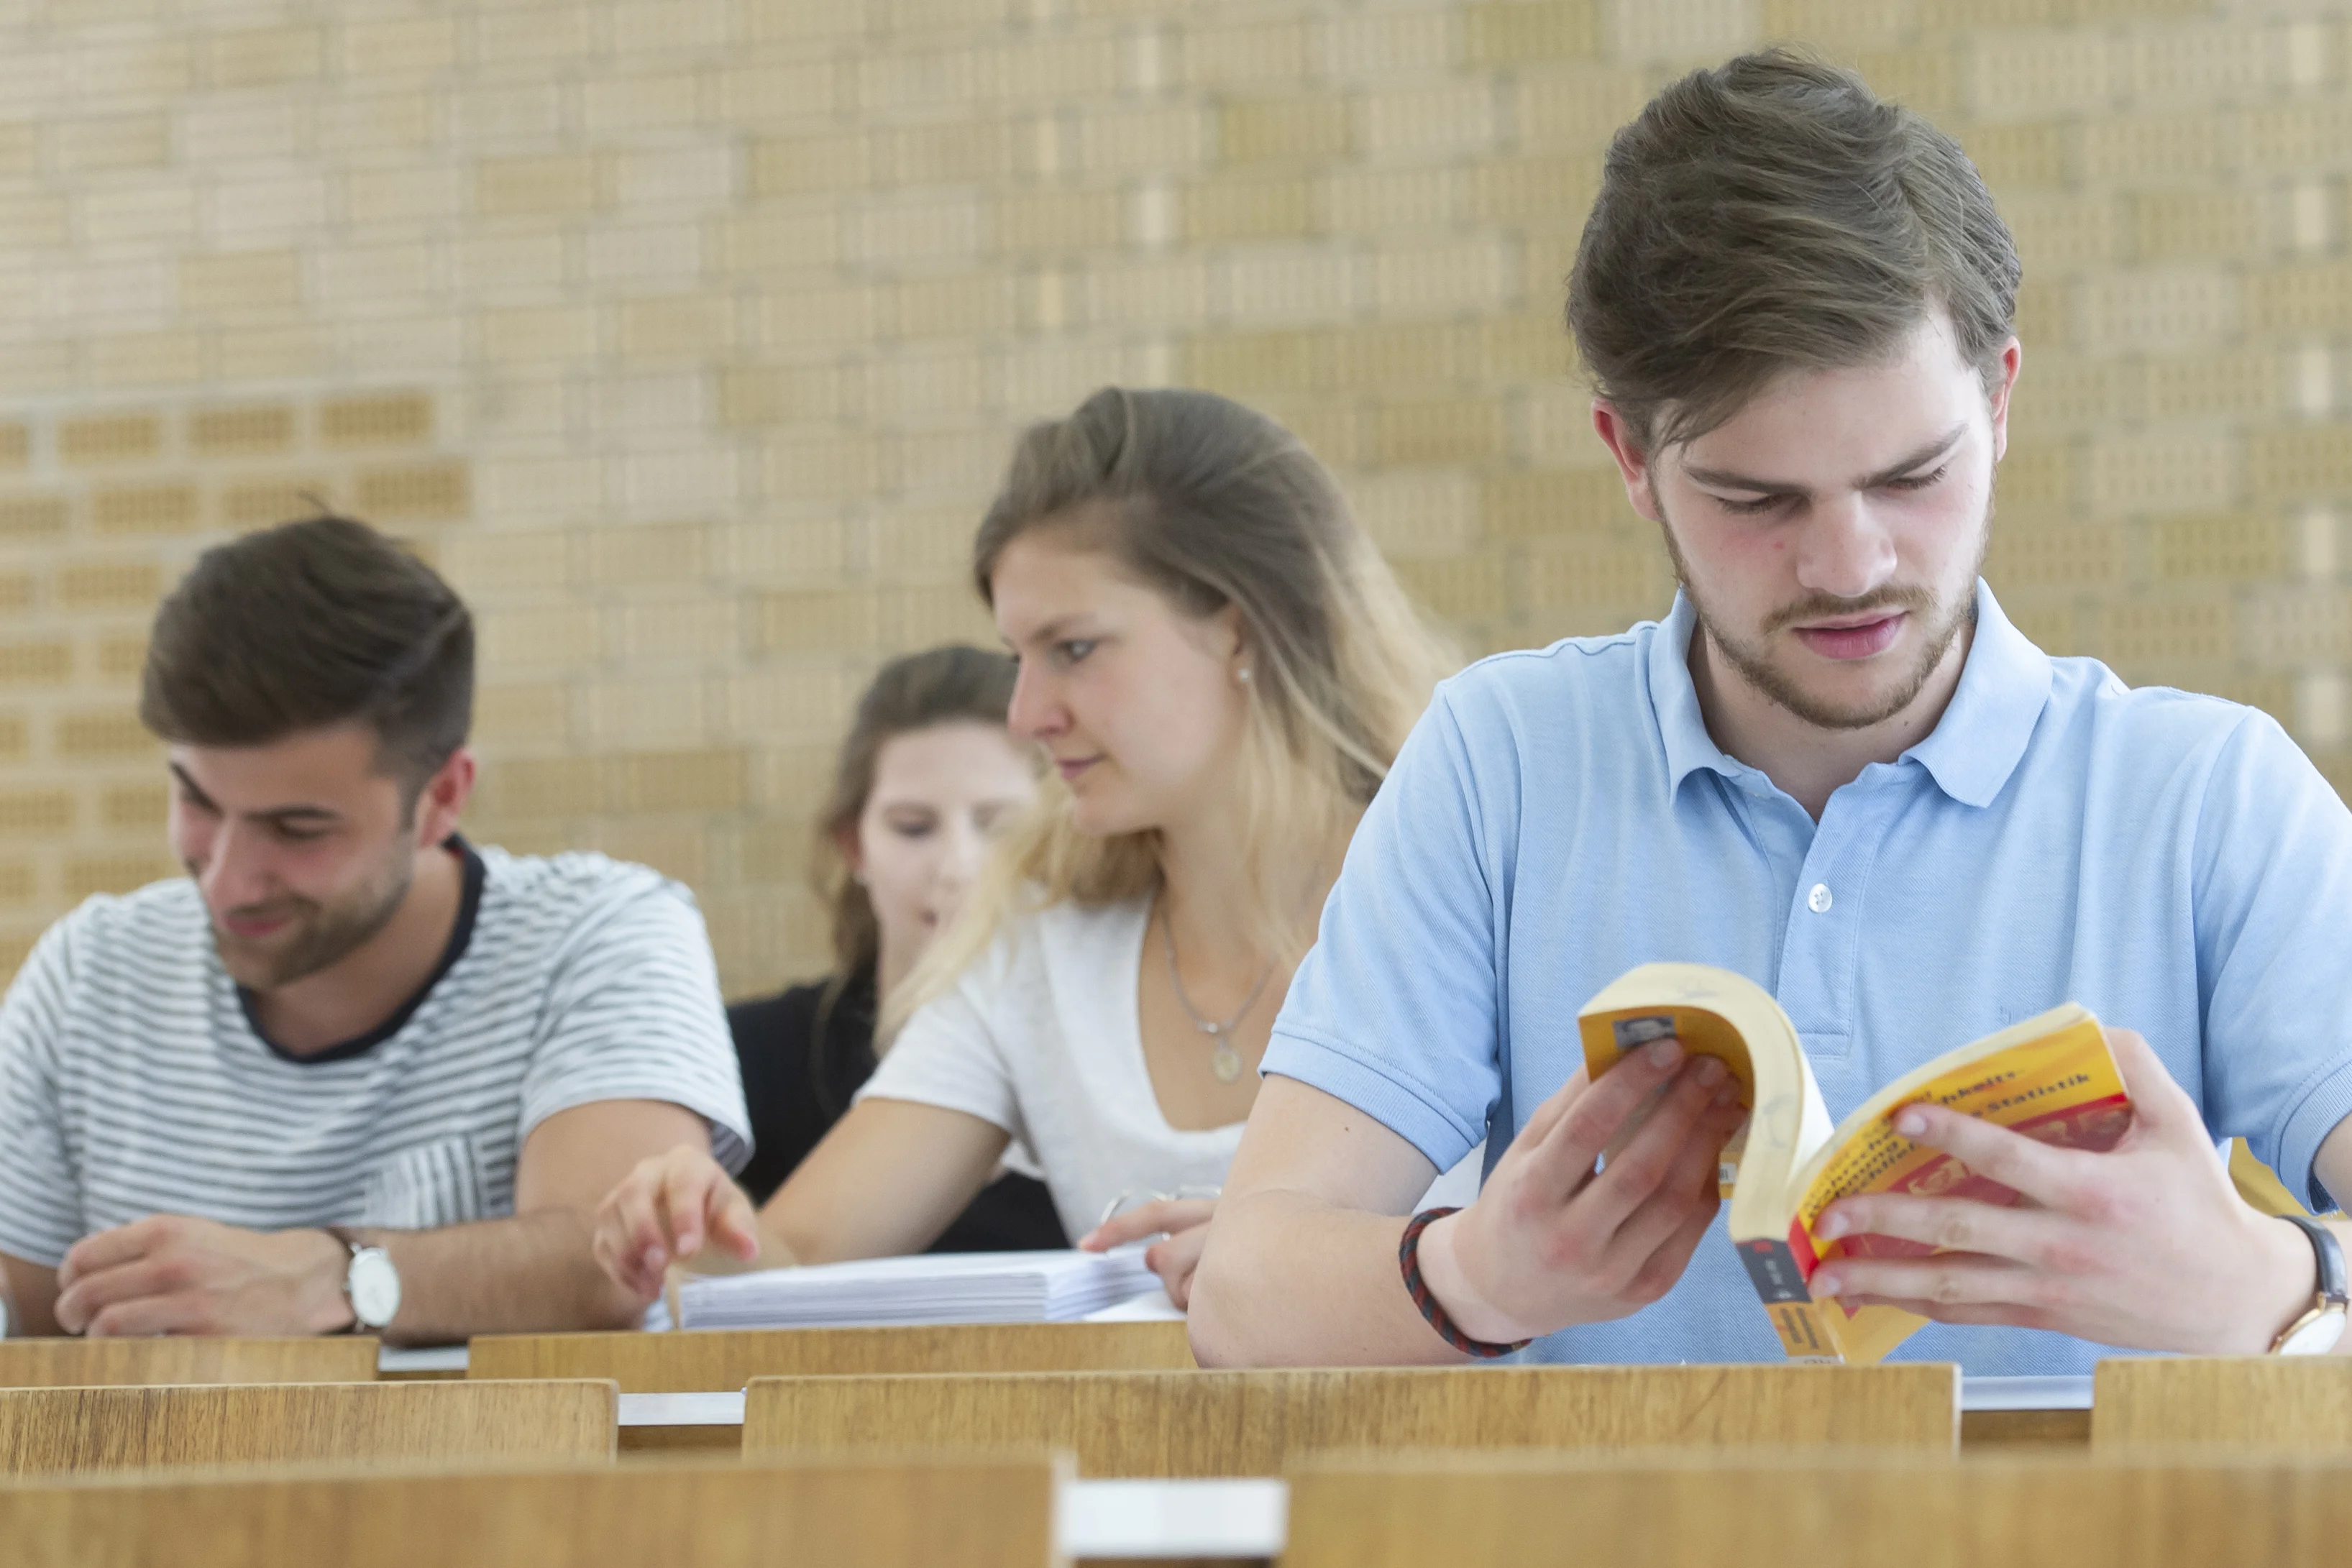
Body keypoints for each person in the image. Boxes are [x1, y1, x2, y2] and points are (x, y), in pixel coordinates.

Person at [1191, 52, 2352, 1372]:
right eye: (1758, 500)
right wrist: (1473, 1273)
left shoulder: (2207, 796)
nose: (1851, 565)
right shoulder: (1499, 763)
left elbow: (2292, 1286)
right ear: (1630, 459)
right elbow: (1245, 1297)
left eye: (1912, 473)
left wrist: (2275, 1284)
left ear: (2003, 398)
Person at [592, 386, 1462, 1309]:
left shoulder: (1470, 886)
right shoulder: (1034, 945)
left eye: (1073, 650)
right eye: (1018, 658)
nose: (1025, 716)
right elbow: (802, 1258)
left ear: (1238, 626)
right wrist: (698, 1224)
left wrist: (1296, 1259)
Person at [0, 515, 750, 1343]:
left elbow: (604, 1266)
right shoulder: (89, 971)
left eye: (298, 829)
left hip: (505, 1475)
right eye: (197, 802)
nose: (227, 877)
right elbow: (28, 1315)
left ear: (441, 799)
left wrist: (338, 1280)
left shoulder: (597, 932)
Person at [726, 643, 1065, 1250]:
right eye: (914, 827)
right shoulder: (748, 1061)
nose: (959, 866)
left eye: (999, 825)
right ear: (853, 846)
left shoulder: (1114, 1061)